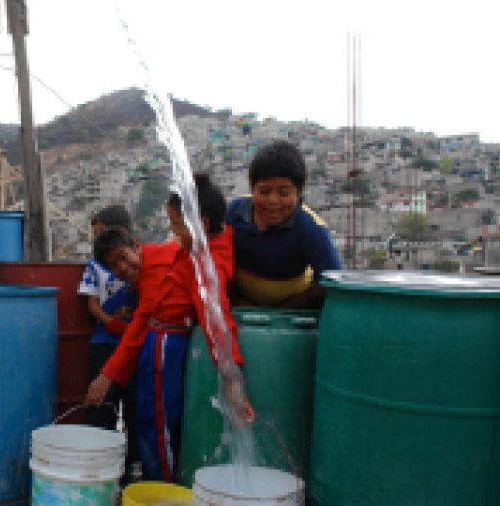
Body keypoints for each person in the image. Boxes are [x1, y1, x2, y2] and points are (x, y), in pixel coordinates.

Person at [85, 173, 253, 483]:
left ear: (199, 223)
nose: (173, 233)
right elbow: (144, 318)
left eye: (175, 225)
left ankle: (161, 486)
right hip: (157, 344)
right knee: (153, 421)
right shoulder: (200, 247)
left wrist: (232, 378)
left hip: (166, 346)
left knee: (159, 423)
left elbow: (216, 317)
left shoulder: (205, 261)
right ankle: (159, 482)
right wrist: (109, 374)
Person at [226, 140, 342, 309]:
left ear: (299, 192)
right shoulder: (233, 214)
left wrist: (283, 311)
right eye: (264, 192)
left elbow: (331, 280)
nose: (273, 201)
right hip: (239, 307)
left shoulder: (310, 228)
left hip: (294, 311)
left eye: (283, 193)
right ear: (252, 190)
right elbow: (210, 259)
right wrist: (238, 301)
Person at [77, 204, 139, 480]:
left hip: (135, 341)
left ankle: (131, 468)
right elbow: (91, 304)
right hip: (105, 342)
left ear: (124, 233)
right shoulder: (95, 265)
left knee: (136, 407)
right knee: (102, 407)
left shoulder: (138, 261)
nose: (98, 241)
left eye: (102, 232)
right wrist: (109, 322)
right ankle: (100, 468)